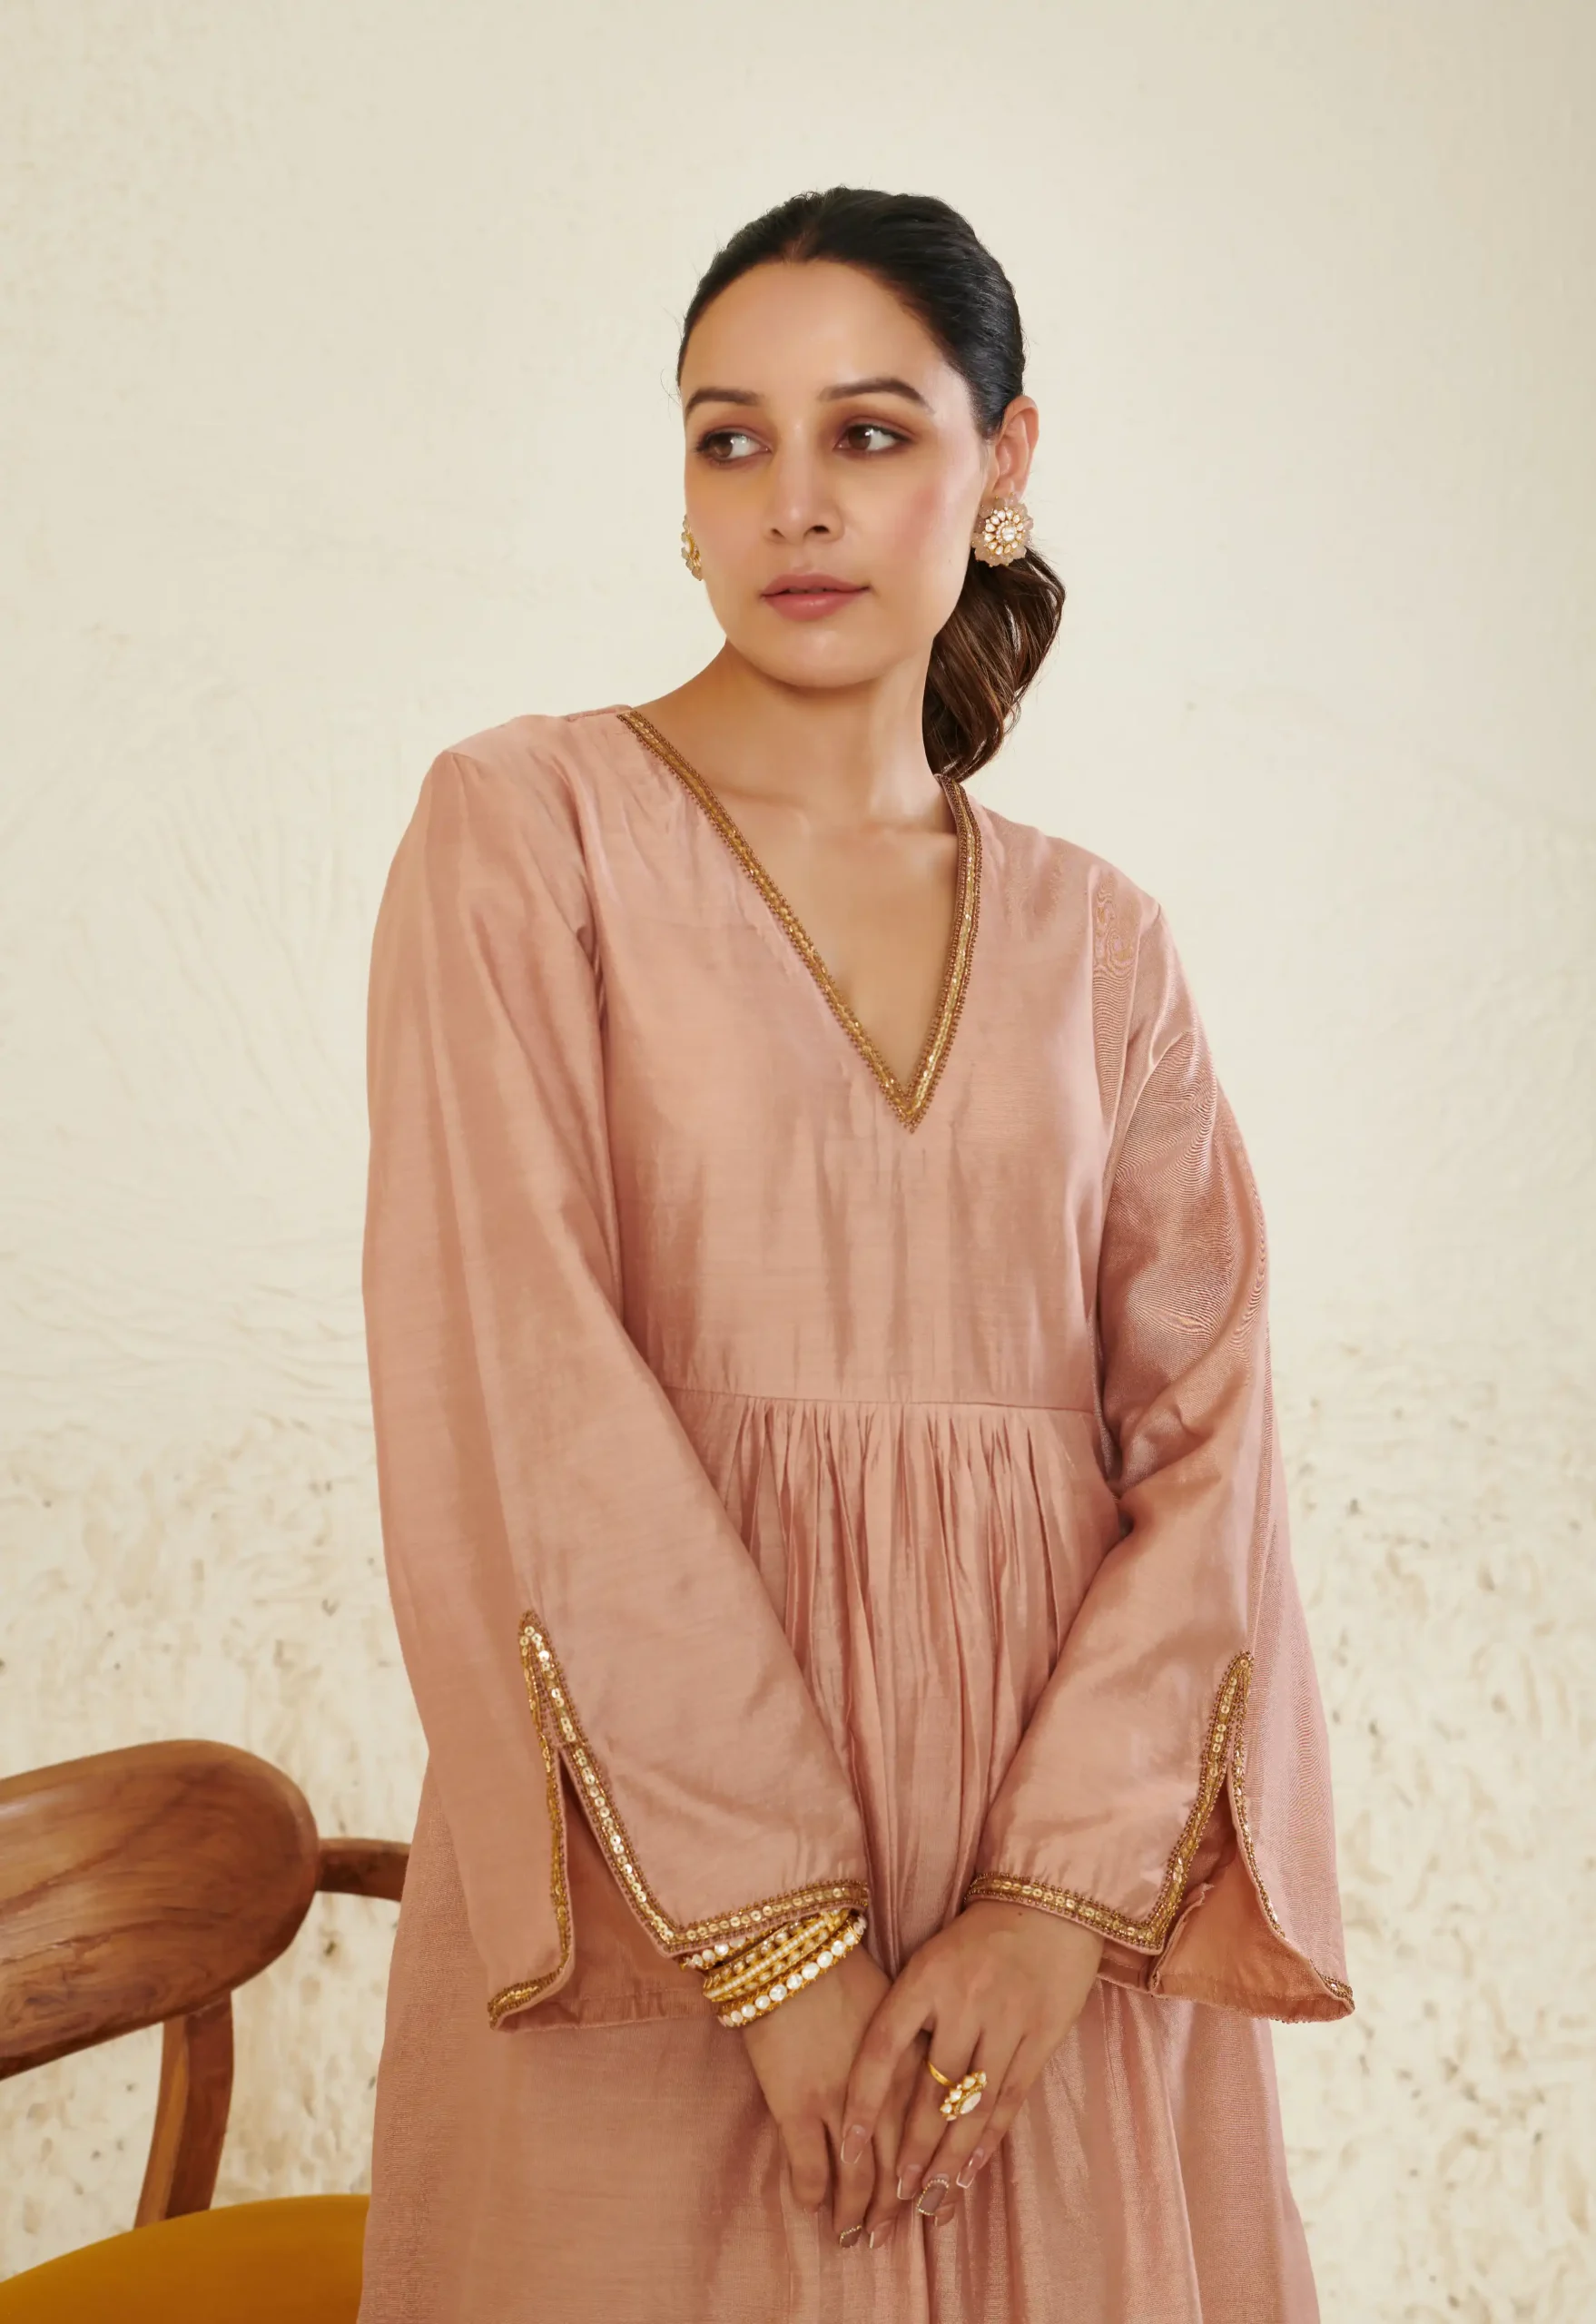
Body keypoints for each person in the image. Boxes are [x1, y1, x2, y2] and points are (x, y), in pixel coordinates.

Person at [355, 185, 1354, 2324]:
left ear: (1002, 463)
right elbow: (516, 1372)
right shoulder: (525, 831)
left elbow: (1212, 1444)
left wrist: (1057, 1911)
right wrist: (779, 1941)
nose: (793, 501)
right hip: (658, 1880)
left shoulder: (1100, 940)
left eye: (871, 432)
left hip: (1034, 1933)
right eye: (731, 439)